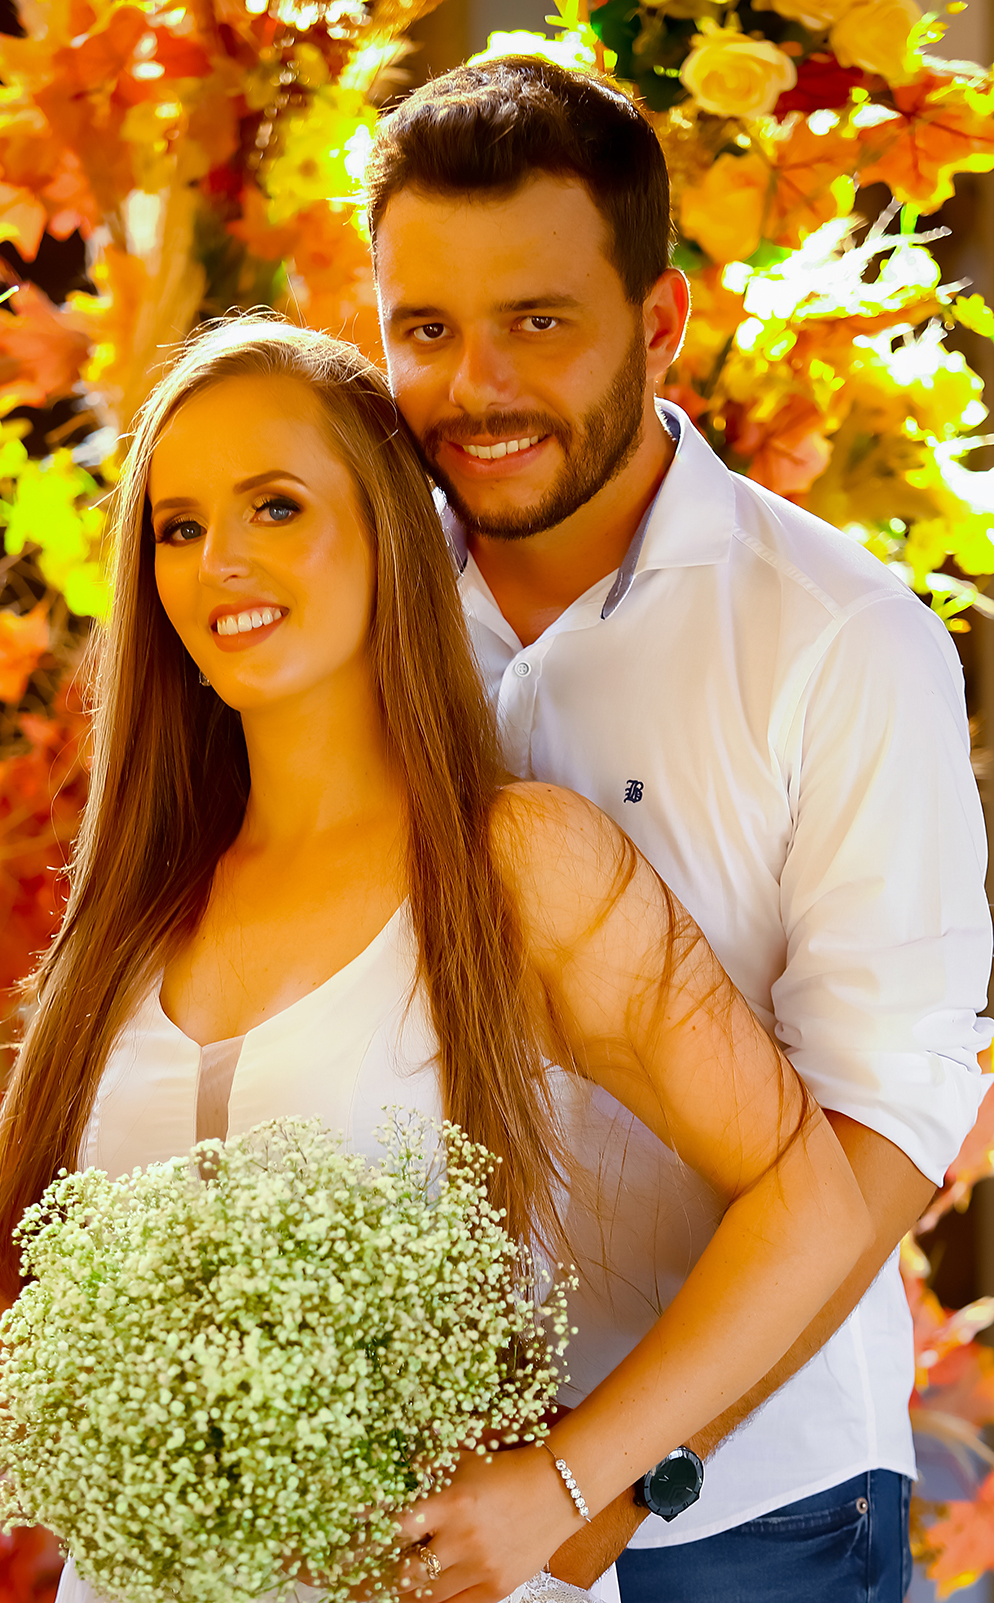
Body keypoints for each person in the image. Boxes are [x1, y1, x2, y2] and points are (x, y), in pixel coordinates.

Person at [0, 320, 871, 1603]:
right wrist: (178, 1440)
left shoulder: (517, 864)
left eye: (277, 505)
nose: (221, 561)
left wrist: (569, 1487)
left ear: (389, 530)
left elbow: (811, 1203)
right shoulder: (131, 908)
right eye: (178, 526)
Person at [365, 53, 993, 1603]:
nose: (476, 387)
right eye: (426, 330)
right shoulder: (350, 610)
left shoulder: (843, 638)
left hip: (748, 1509)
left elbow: (888, 1118)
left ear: (662, 324)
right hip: (405, 1485)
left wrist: (602, 1476)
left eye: (539, 323)